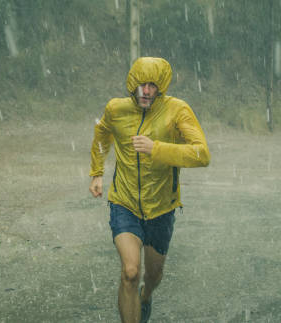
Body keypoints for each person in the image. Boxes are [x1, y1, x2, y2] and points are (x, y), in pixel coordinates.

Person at [88, 57, 210, 323]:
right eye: (142, 84)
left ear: (161, 88)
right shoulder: (116, 109)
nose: (146, 90)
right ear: (133, 84)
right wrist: (97, 172)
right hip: (125, 203)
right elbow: (102, 134)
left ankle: (146, 296)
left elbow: (202, 154)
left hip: (161, 208)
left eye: (153, 85)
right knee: (130, 272)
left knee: (152, 276)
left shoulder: (177, 110)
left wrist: (157, 149)